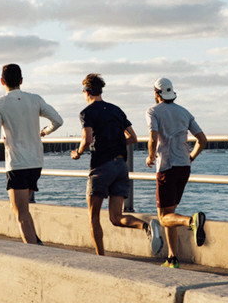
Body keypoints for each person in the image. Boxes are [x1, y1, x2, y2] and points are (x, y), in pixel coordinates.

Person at [71, 73, 163, 256]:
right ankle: (146, 226)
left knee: (93, 216)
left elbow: (87, 139)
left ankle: (101, 257)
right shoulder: (116, 110)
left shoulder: (86, 113)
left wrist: (78, 153)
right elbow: (133, 138)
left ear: (87, 91)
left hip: (101, 167)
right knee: (116, 217)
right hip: (121, 166)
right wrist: (116, 144)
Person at [0, 63, 63, 245]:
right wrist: (44, 132)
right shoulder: (35, 99)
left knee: (20, 214)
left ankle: (34, 254)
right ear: (21, 80)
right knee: (24, 210)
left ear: (1, 81)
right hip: (36, 162)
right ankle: (36, 243)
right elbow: (58, 121)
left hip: (17, 164)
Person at [145, 77, 208, 268]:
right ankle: (173, 258)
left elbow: (153, 137)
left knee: (164, 217)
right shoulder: (184, 112)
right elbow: (202, 140)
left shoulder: (153, 111)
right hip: (184, 166)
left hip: (166, 166)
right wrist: (191, 157)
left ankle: (191, 221)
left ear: (156, 93)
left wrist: (150, 156)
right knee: (169, 213)